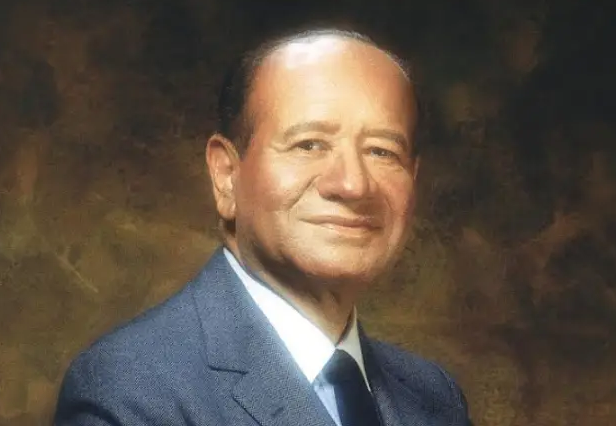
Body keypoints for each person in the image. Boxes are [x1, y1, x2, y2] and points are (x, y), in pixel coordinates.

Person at [54, 28, 472, 426]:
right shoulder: (132, 391)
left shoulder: (434, 396)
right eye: (309, 144)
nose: (353, 184)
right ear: (226, 175)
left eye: (382, 151)